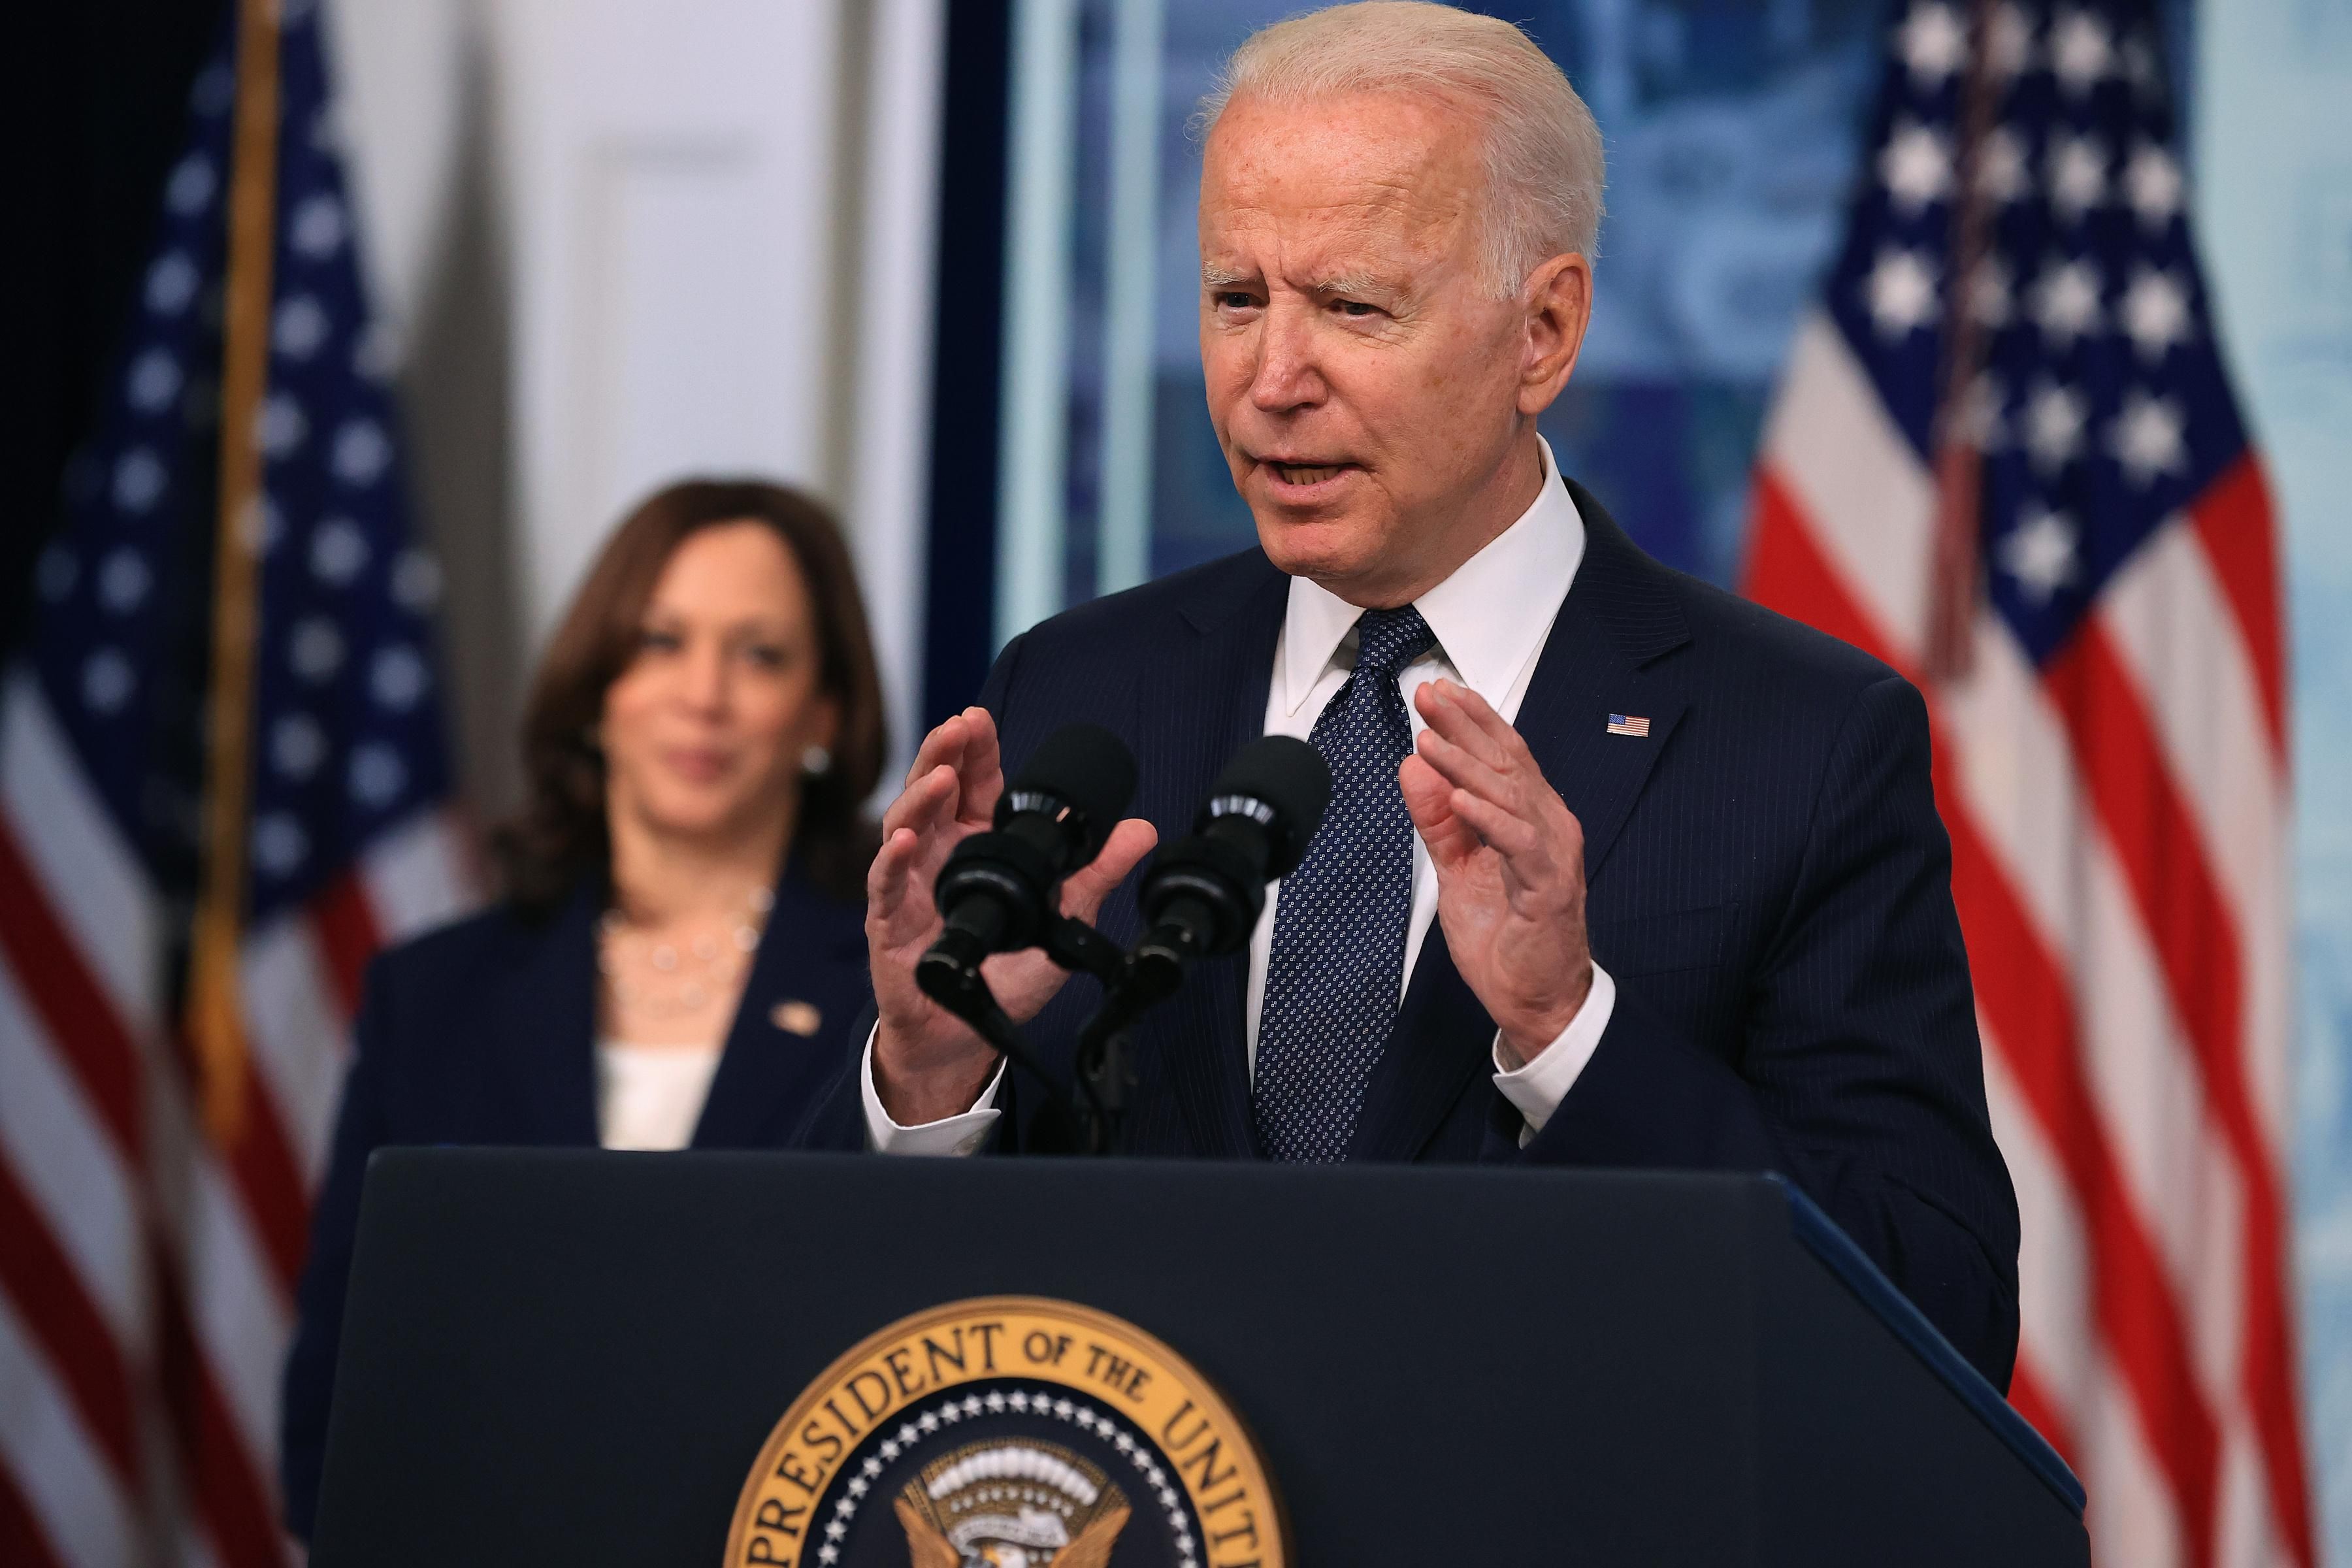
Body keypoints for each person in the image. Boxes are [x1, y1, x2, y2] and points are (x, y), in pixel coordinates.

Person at [796, 1, 2021, 1391]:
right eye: (1235, 299)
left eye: (1353, 307)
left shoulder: (1795, 742)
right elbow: (839, 1317)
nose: (1272, 382)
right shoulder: (1083, 691)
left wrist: (1573, 1033)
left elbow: (1939, 1310)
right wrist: (931, 1074)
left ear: (1543, 333)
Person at [280, 478, 886, 1537]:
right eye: (660, 641)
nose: (703, 693)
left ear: (826, 713)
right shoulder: (431, 998)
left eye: (760, 655)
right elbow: (333, 1417)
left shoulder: (905, 997)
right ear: (597, 685)